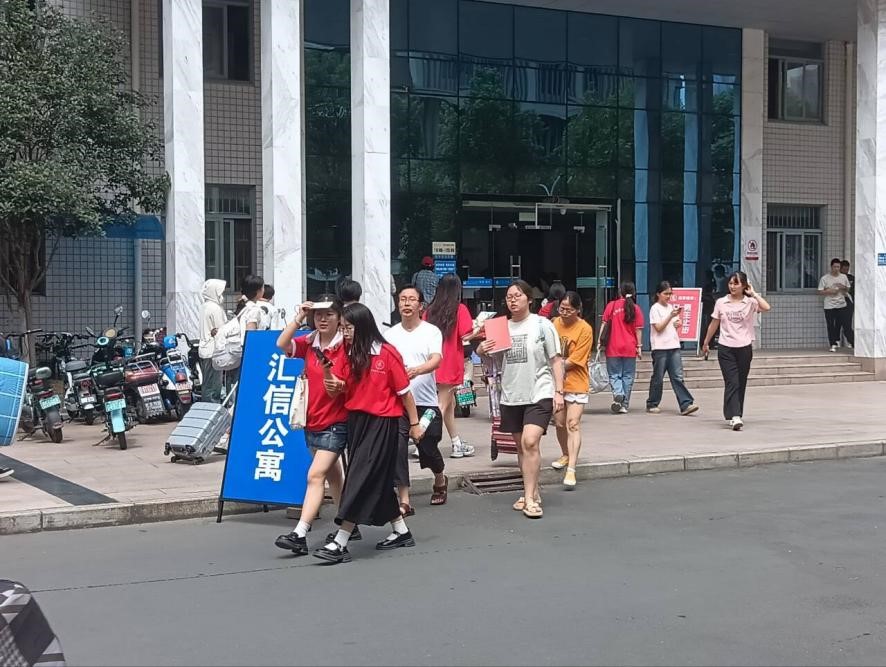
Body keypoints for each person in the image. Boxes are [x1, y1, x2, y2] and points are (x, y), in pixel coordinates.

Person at [314, 303, 423, 564]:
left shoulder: (387, 353)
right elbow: (342, 387)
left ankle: (341, 541)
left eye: (349, 328)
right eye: (343, 328)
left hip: (383, 423)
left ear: (362, 327)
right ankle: (401, 531)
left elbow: (405, 394)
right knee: (377, 480)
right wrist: (329, 374)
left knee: (359, 478)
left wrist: (415, 423)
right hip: (357, 421)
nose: (345, 333)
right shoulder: (349, 352)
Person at [274, 296, 355, 556]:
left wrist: (342, 386)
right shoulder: (310, 342)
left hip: (336, 423)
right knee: (333, 476)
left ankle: (300, 533)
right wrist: (298, 317)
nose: (322, 319)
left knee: (315, 476)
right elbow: (281, 344)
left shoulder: (348, 347)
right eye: (318, 314)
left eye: (329, 314)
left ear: (339, 318)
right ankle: (348, 523)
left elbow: (356, 381)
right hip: (312, 420)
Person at [477, 280, 564, 519]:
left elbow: (556, 360)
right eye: (509, 297)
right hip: (511, 393)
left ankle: (530, 500)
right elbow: (492, 359)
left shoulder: (542, 324)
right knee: (521, 447)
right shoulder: (500, 327)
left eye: (517, 295)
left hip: (539, 391)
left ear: (529, 299)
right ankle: (532, 491)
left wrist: (559, 391)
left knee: (530, 441)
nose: (512, 300)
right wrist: (481, 350)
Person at [384, 285, 448, 512]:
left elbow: (436, 359)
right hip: (398, 403)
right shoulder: (389, 335)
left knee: (428, 446)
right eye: (402, 299)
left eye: (411, 299)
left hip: (426, 403)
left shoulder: (431, 331)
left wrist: (416, 371)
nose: (406, 303)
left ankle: (439, 477)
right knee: (398, 448)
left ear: (421, 306)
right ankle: (404, 500)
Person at [701, 271, 772, 431]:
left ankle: (734, 413)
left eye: (736, 283)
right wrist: (706, 342)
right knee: (732, 381)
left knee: (740, 381)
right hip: (726, 347)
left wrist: (753, 293)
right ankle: (735, 416)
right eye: (730, 283)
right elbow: (714, 323)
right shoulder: (721, 302)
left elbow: (767, 307)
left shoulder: (750, 302)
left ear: (744, 285)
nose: (732, 286)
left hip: (744, 347)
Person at [423, 273, 476, 458]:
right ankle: (422, 439)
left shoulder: (429, 311)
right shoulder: (459, 309)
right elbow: (466, 335)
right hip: (450, 362)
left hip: (431, 362)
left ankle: (456, 442)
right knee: (441, 405)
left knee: (449, 404)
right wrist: (481, 328)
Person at [550, 291, 593, 489]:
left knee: (572, 423)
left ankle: (572, 468)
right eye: (562, 308)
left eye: (569, 309)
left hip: (576, 382)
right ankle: (566, 454)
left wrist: (555, 366)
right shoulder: (553, 324)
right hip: (556, 384)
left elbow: (577, 359)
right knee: (559, 423)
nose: (565, 313)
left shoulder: (585, 329)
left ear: (578, 310)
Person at [646, 281, 699, 416]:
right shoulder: (655, 309)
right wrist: (671, 316)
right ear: (658, 294)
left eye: (670, 293)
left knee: (677, 376)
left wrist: (677, 322)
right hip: (660, 347)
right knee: (658, 377)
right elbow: (658, 328)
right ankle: (652, 402)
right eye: (666, 294)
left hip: (674, 345)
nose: (668, 296)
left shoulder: (671, 307)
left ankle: (686, 404)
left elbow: (672, 325)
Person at [598, 282, 644, 414]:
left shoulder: (611, 306)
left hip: (613, 347)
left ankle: (618, 393)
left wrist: (599, 341)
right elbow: (638, 330)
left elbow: (604, 324)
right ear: (633, 293)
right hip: (629, 347)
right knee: (628, 376)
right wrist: (639, 347)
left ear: (620, 292)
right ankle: (624, 405)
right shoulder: (636, 308)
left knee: (614, 374)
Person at [198, 278, 227, 403]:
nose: (222, 295)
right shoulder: (215, 308)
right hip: (214, 349)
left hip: (205, 348)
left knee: (207, 382)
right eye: (220, 292)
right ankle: (212, 408)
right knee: (214, 385)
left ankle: (207, 406)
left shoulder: (204, 306)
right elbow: (222, 329)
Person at [817, 258, 852, 353]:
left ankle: (852, 342)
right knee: (831, 325)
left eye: (838, 267)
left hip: (841, 305)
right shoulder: (825, 278)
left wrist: (843, 287)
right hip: (829, 305)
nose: (836, 269)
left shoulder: (843, 277)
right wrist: (829, 291)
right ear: (831, 267)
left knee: (846, 324)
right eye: (835, 267)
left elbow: (848, 289)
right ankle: (833, 344)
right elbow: (820, 291)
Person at [840, 259, 855, 349]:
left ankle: (854, 342)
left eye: (847, 269)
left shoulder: (851, 278)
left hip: (848, 304)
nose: (846, 271)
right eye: (844, 269)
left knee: (847, 325)